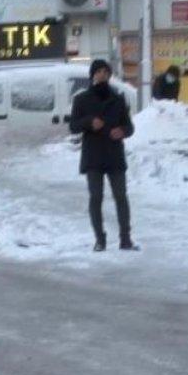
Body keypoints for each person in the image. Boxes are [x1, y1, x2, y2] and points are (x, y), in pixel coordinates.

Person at [69, 60, 136, 252]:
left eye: (106, 71)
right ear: (92, 75)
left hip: (114, 154)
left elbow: (129, 126)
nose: (102, 75)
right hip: (93, 156)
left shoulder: (118, 98)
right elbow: (73, 126)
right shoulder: (81, 99)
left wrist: (123, 130)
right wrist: (89, 122)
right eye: (98, 71)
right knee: (96, 197)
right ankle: (100, 239)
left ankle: (126, 238)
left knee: (121, 196)